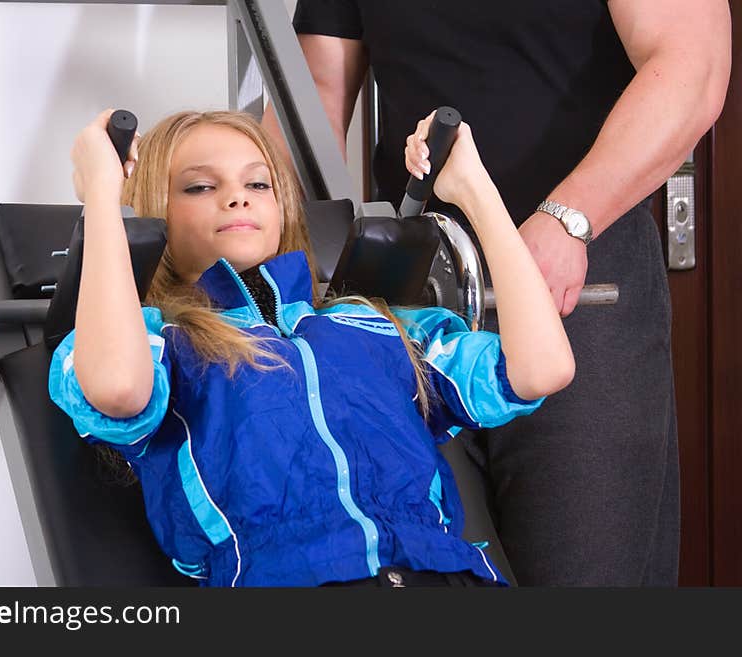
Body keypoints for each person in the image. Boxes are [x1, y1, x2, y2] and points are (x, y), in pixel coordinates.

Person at [270, 0, 731, 586]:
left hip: (575, 275)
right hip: (414, 293)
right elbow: (313, 98)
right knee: (426, 574)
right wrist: (282, 259)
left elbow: (692, 63)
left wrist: (569, 218)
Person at [47, 107, 574, 587]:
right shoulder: (160, 346)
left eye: (258, 182)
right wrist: (102, 193)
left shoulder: (376, 325)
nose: (238, 197)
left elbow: (541, 369)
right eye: (200, 187)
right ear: (152, 213)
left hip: (445, 578)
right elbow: (117, 387)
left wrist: (475, 191)